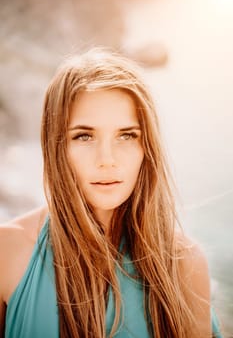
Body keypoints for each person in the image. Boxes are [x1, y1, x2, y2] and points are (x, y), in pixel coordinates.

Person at [0, 48, 221, 338]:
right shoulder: (8, 252)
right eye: (84, 136)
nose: (107, 159)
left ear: (147, 149)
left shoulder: (183, 263)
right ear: (56, 147)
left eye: (126, 135)